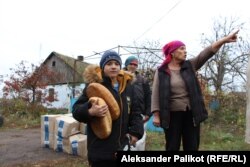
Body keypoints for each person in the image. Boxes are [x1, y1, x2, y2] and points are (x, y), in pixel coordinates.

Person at [151, 30, 239, 151]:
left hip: (191, 113)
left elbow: (206, 53)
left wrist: (224, 40)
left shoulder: (189, 65)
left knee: (192, 146)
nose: (185, 51)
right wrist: (156, 115)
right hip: (172, 114)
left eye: (185, 49)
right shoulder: (161, 71)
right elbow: (155, 94)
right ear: (172, 52)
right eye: (181, 48)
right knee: (172, 146)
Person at [72, 50, 143, 166]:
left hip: (122, 146)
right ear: (102, 66)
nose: (113, 67)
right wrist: (90, 111)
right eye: (109, 64)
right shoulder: (94, 86)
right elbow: (76, 110)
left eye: (116, 64)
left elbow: (135, 111)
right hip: (100, 149)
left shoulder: (128, 87)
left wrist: (136, 132)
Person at [123, 55, 152, 151]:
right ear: (126, 64)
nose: (133, 66)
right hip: (124, 114)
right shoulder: (121, 77)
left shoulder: (142, 80)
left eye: (135, 64)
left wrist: (148, 113)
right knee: (124, 140)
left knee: (140, 140)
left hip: (140, 115)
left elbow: (148, 96)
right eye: (131, 64)